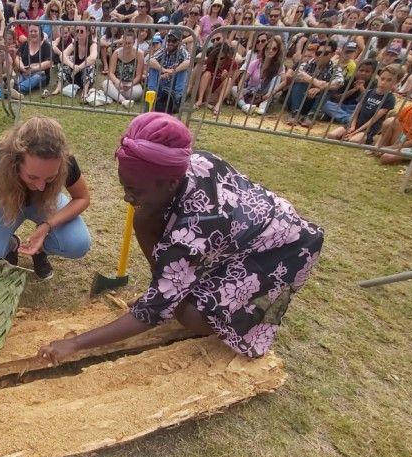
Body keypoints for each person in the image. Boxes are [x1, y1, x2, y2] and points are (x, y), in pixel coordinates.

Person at [37, 113, 324, 364]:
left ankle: (187, 294)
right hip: (240, 234)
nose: (127, 197)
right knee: (144, 217)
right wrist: (167, 285)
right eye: (125, 186)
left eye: (135, 190)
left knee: (191, 316)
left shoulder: (195, 229)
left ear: (172, 183)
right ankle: (172, 284)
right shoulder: (188, 162)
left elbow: (153, 313)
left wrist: (74, 343)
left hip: (283, 248)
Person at [0, 116, 91, 280]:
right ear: (15, 161)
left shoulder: (65, 160)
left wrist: (48, 225)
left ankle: (39, 250)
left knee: (78, 243)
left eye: (50, 178)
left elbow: (82, 198)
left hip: (47, 203)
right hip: (5, 203)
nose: (41, 186)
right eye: (32, 177)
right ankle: (11, 245)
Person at [328, 63, 402, 144]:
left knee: (353, 141)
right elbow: (356, 111)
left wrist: (355, 132)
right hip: (355, 124)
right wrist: (352, 126)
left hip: (368, 128)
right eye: (382, 78)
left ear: (396, 83)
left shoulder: (390, 99)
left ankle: (365, 138)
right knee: (331, 135)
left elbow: (373, 120)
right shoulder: (368, 92)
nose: (383, 82)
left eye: (389, 80)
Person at [285, 39, 344, 127]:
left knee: (327, 90)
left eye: (325, 53)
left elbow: (339, 82)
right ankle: (295, 113)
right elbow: (296, 75)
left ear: (332, 54)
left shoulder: (334, 67)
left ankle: (311, 116)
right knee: (300, 84)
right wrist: (317, 83)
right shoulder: (307, 64)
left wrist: (319, 88)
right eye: (318, 53)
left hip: (316, 102)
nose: (320, 56)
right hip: (298, 99)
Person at [233, 36, 284, 115]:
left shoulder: (279, 65)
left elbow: (284, 81)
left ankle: (263, 106)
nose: (270, 51)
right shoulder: (255, 63)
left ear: (278, 51)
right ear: (264, 49)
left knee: (277, 78)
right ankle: (245, 107)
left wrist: (272, 92)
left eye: (274, 49)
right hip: (251, 92)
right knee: (234, 89)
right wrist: (240, 92)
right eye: (268, 48)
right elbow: (242, 80)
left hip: (266, 94)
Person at [147, 28, 191, 113]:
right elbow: (150, 60)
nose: (170, 43)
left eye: (174, 41)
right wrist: (164, 70)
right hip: (162, 80)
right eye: (169, 40)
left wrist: (174, 71)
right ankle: (151, 96)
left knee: (183, 70)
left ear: (179, 42)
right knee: (153, 68)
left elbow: (189, 62)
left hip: (173, 84)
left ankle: (178, 100)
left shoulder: (182, 50)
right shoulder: (164, 49)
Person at [322, 58, 377, 124]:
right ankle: (348, 120)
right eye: (361, 70)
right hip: (342, 106)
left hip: (357, 109)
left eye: (367, 72)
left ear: (372, 74)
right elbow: (337, 98)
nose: (363, 73)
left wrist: (362, 89)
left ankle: (335, 116)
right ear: (357, 71)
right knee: (326, 104)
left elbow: (370, 102)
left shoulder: (374, 83)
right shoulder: (349, 80)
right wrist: (354, 89)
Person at [104, 29, 145, 109]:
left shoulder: (139, 54)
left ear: (134, 42)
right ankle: (123, 101)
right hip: (117, 83)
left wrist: (131, 84)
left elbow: (138, 76)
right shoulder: (116, 53)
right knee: (106, 83)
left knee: (139, 92)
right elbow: (111, 73)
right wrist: (117, 81)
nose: (127, 45)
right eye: (125, 43)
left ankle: (115, 95)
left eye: (129, 43)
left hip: (131, 85)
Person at [55, 24, 97, 101]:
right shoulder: (74, 43)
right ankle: (58, 88)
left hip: (86, 77)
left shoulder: (93, 44)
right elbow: (62, 56)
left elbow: (93, 58)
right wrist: (73, 66)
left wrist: (79, 67)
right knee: (64, 62)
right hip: (74, 75)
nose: (79, 33)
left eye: (82, 31)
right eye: (77, 31)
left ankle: (84, 92)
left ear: (88, 33)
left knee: (90, 66)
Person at [14, 23, 53, 95]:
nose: (33, 33)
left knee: (36, 77)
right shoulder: (25, 44)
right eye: (31, 31)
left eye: (35, 31)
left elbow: (49, 63)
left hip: (40, 75)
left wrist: (34, 69)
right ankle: (16, 88)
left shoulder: (46, 45)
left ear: (40, 32)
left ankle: (16, 89)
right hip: (25, 73)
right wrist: (22, 67)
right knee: (18, 80)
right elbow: (17, 57)